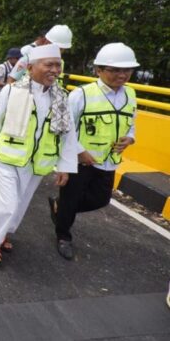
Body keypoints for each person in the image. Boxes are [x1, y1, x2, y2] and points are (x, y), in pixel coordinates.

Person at [0, 44, 78, 267]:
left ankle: (4, 234)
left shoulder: (62, 97)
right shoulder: (12, 91)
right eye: (49, 65)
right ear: (31, 67)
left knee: (20, 204)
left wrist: (65, 166)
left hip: (37, 162)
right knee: (6, 205)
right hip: (6, 157)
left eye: (58, 65)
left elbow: (68, 135)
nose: (55, 70)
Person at [49, 43, 138, 260]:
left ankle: (61, 210)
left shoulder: (131, 93)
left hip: (108, 160)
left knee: (101, 199)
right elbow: (64, 126)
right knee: (71, 198)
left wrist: (130, 138)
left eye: (127, 70)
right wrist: (79, 152)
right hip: (80, 161)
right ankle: (63, 236)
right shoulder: (82, 94)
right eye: (115, 70)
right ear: (99, 70)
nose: (122, 75)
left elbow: (131, 122)